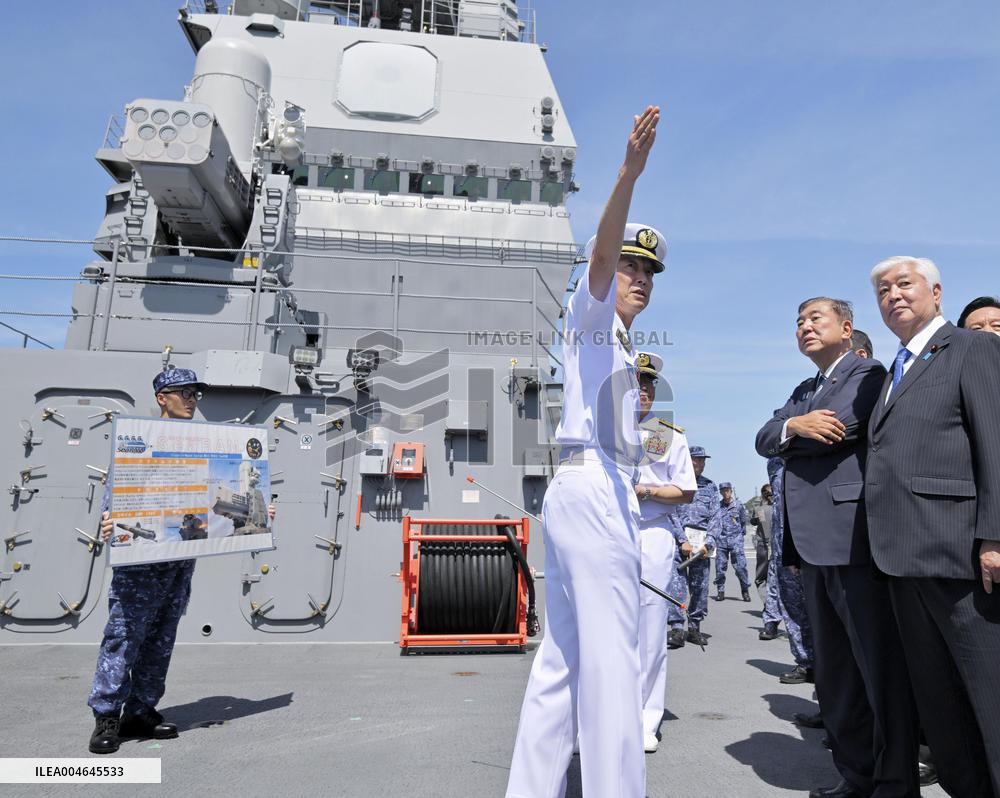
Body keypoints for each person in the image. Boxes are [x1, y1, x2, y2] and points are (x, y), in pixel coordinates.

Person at [505, 105, 661, 798]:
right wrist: (629, 173)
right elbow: (597, 258)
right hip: (595, 491)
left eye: (649, 271)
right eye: (630, 265)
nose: (639, 277)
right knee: (612, 662)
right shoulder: (591, 314)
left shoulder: (618, 341)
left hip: (585, 490)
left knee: (563, 663)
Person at [756, 296, 919, 798]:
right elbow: (764, 437)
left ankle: (894, 782)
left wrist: (793, 433)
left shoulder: (867, 374)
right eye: (798, 321)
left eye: (815, 318)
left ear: (847, 329)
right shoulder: (805, 390)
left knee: (876, 669)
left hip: (852, 541)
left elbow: (840, 428)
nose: (804, 326)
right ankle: (857, 774)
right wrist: (793, 426)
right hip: (810, 548)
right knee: (834, 673)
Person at [866, 256, 1000, 796]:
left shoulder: (971, 348)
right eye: (883, 290)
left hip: (961, 555)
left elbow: (995, 443)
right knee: (943, 712)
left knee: (990, 701)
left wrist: (995, 535)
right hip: (903, 560)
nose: (893, 295)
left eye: (904, 284)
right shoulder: (895, 370)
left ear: (937, 293)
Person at [89, 368, 274, 755]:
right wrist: (108, 521)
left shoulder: (199, 445)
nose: (191, 400)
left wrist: (258, 513)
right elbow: (117, 494)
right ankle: (106, 716)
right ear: (162, 398)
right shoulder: (137, 440)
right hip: (139, 564)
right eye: (184, 393)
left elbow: (212, 502)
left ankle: (140, 710)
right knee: (124, 636)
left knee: (161, 638)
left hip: (178, 562)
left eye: (195, 394)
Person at [633, 352, 696, 753]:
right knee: (600, 626)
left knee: (650, 629)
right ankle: (597, 720)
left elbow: (685, 491)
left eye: (648, 385)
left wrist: (647, 490)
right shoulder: (598, 433)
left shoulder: (666, 435)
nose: (643, 391)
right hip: (605, 534)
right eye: (635, 384)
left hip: (650, 533)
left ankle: (644, 720)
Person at [762, 458, 817, 686]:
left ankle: (829, 665)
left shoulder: (808, 454)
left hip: (809, 544)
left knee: (821, 608)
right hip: (783, 549)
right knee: (792, 607)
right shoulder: (774, 462)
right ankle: (807, 663)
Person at [667, 445, 718, 648]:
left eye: (703, 460)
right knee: (677, 587)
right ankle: (677, 629)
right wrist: (682, 540)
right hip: (680, 544)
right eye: (697, 459)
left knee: (700, 588)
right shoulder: (676, 483)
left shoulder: (710, 487)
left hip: (701, 548)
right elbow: (670, 513)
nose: (701, 463)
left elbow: (716, 517)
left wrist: (709, 542)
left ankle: (694, 627)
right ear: (688, 460)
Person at [711, 483, 750, 601]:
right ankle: (720, 591)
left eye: (727, 490)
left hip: (736, 541)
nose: (725, 493)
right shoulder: (718, 507)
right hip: (721, 541)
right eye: (723, 491)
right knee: (720, 568)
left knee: (741, 568)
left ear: (731, 491)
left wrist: (739, 537)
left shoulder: (738, 505)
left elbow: (743, 522)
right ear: (720, 492)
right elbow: (714, 522)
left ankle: (745, 590)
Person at [750, 482, 774, 596]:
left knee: (760, 577)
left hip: (764, 544)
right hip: (777, 545)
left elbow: (760, 522)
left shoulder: (760, 509)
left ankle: (766, 601)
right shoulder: (778, 508)